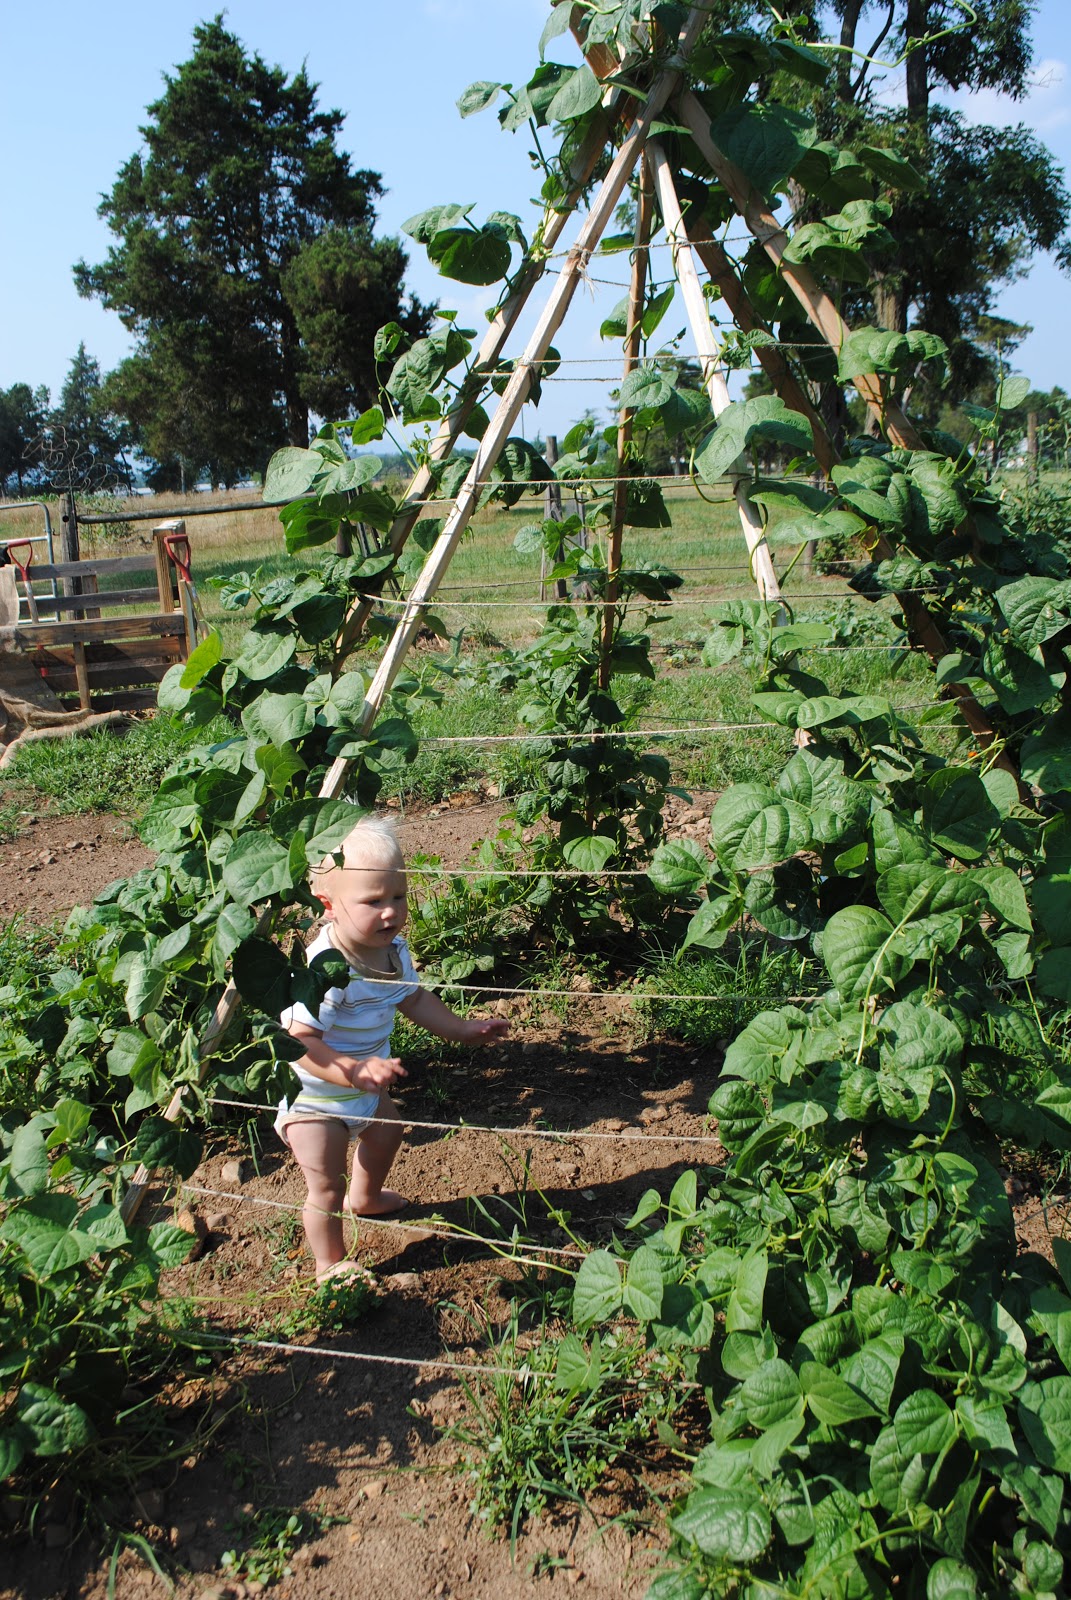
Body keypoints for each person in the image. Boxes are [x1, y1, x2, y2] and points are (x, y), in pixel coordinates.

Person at [276, 814, 509, 1284]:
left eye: (398, 896)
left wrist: (461, 1030)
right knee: (324, 1186)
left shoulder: (393, 951)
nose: (391, 911)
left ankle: (366, 1198)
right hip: (316, 1099)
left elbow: (414, 998)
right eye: (374, 901)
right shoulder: (327, 968)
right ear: (328, 905)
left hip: (363, 1085)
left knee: (387, 1133)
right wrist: (350, 1072)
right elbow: (296, 1043)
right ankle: (330, 1263)